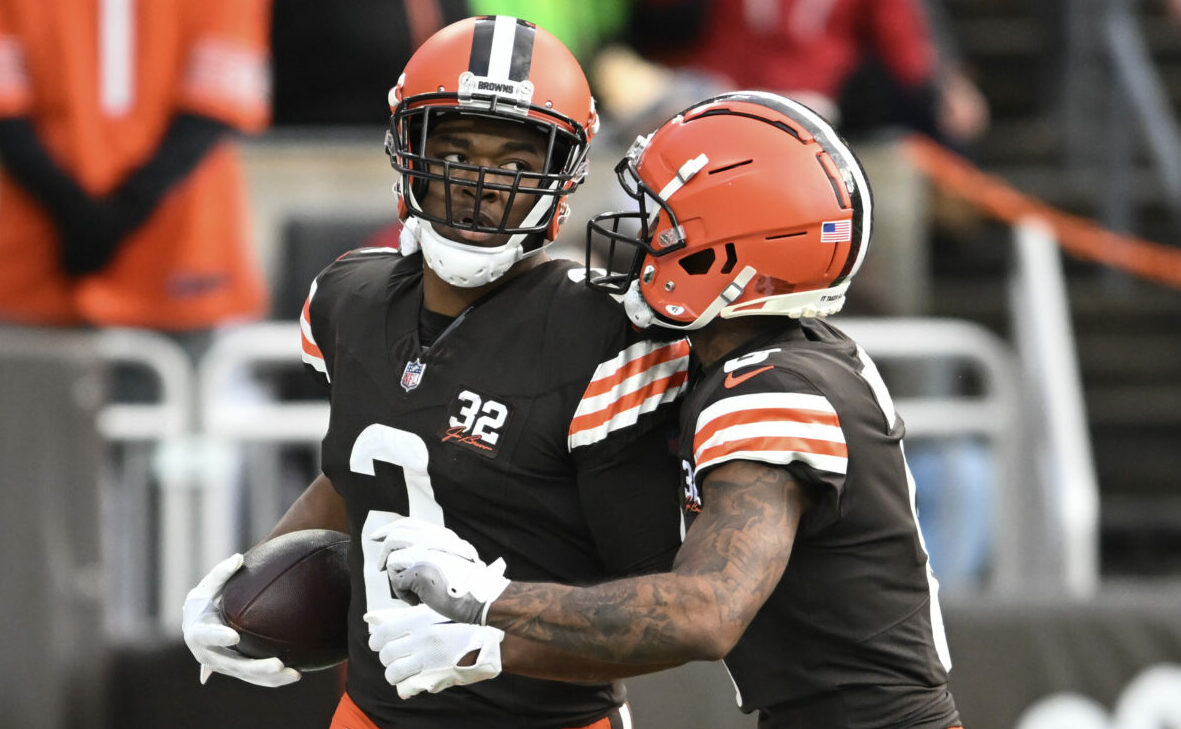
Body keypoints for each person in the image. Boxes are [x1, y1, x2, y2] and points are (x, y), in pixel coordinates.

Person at [382, 91, 963, 729]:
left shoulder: (773, 390)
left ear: (717, 254)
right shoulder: (773, 357)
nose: (637, 237)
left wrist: (490, 602)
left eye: (661, 223)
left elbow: (705, 611)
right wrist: (498, 644)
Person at [181, 15, 690, 729]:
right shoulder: (347, 298)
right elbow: (358, 471)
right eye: (455, 150)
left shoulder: (603, 332)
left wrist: (498, 644)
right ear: (406, 149)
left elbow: (659, 607)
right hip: (368, 713)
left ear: (563, 171)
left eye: (515, 163)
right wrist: (248, 579)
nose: (481, 182)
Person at [0, 0, 270, 331]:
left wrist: (117, 212)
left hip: (179, 249)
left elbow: (218, 99)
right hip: (35, 254)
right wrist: (74, 209)